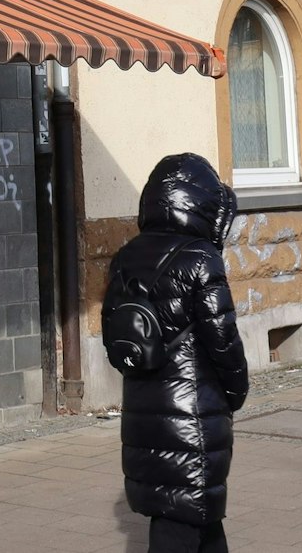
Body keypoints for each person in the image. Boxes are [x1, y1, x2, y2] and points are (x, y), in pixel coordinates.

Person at [103, 153, 248, 553]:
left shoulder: (125, 258)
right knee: (180, 524)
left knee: (197, 518)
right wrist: (235, 393)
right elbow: (223, 340)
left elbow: (112, 340)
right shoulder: (201, 259)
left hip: (143, 412)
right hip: (194, 416)